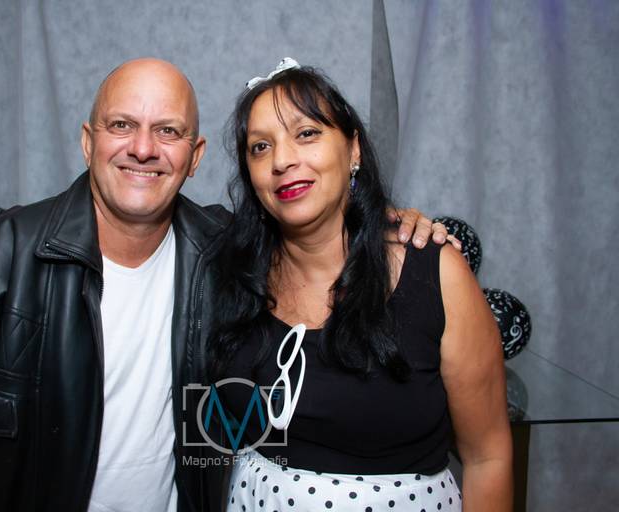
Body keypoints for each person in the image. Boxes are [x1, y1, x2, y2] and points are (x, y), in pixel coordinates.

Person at [0, 58, 450, 512]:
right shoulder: (6, 252)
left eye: (168, 131)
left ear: (194, 156)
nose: (143, 148)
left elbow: (314, 226)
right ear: (88, 141)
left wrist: (384, 222)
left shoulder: (222, 252)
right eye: (121, 125)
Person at [209, 59, 513, 511]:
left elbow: (488, 457)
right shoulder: (231, 270)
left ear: (353, 150)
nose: (282, 160)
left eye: (306, 133)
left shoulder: (435, 273)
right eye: (260, 147)